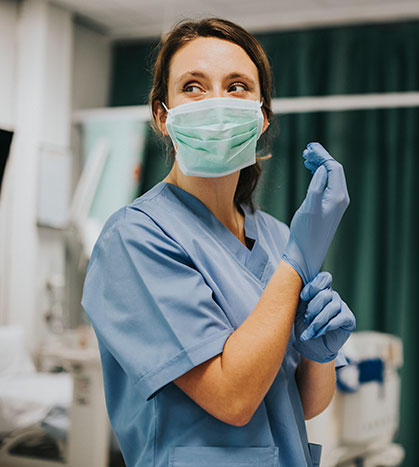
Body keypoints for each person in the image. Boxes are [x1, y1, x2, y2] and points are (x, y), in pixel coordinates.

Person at [81, 18, 355, 467]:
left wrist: (318, 354)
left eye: (237, 86)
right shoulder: (134, 238)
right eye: (192, 86)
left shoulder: (277, 237)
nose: (216, 103)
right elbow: (233, 398)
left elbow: (297, 405)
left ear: (262, 116)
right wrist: (296, 264)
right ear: (161, 116)